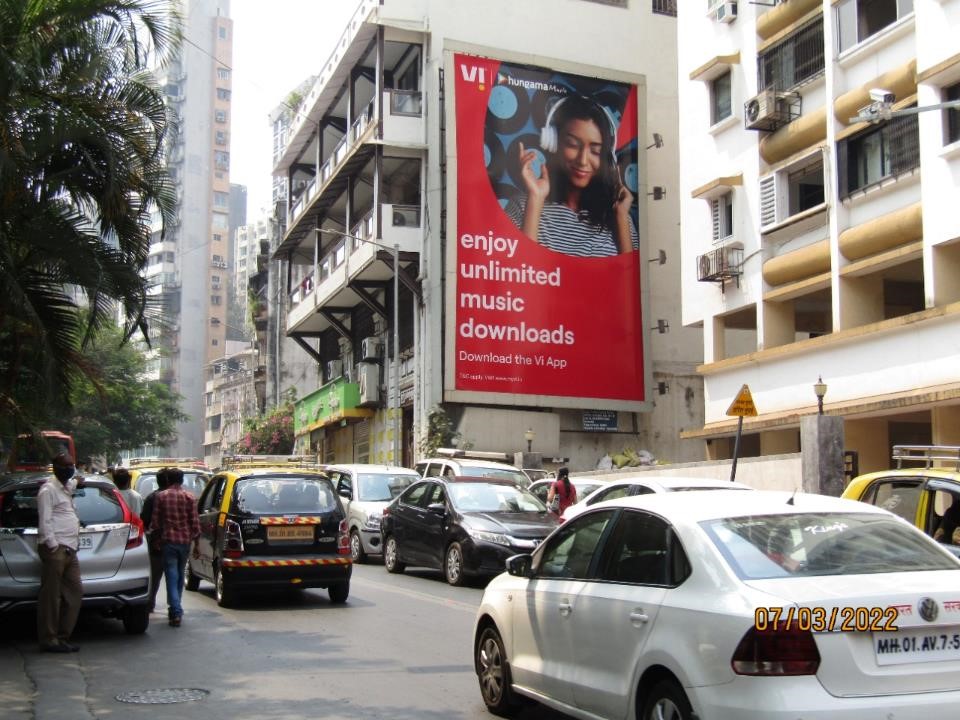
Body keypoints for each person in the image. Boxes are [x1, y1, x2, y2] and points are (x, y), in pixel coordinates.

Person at [507, 94, 637, 258]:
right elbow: (518, 273)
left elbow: (630, 279)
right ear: (553, 143)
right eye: (573, 145)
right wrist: (535, 199)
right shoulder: (521, 206)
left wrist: (621, 217)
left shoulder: (621, 216)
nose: (583, 161)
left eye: (595, 151)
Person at [36, 452, 84, 652]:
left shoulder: (66, 487)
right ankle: (49, 640)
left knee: (75, 592)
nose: (69, 468)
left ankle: (63, 637)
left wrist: (78, 480)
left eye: (71, 465)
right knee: (51, 597)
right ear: (55, 467)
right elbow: (45, 520)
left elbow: (74, 482)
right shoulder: (48, 490)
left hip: (70, 548)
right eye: (65, 465)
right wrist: (53, 545)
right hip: (56, 549)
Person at [149, 467, 199, 627]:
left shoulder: (161, 497)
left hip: (168, 542)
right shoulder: (189, 497)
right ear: (182, 480)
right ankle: (176, 608)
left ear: (168, 481)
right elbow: (195, 523)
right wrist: (196, 544)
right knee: (178, 575)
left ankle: (175, 610)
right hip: (184, 542)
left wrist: (156, 539)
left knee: (172, 575)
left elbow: (155, 522)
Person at [139, 468, 171, 613]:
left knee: (155, 576)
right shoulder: (180, 497)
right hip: (175, 543)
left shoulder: (152, 498)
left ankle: (150, 602)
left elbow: (144, 520)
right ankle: (174, 606)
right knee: (173, 576)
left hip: (156, 544)